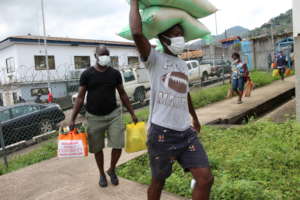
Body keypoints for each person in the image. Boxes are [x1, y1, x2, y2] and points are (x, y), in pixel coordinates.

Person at [130, 1, 214, 200]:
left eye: (181, 34)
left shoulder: (183, 64)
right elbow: (136, 33)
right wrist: (134, 3)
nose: (180, 38)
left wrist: (194, 118)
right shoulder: (154, 59)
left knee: (205, 179)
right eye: (175, 34)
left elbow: (185, 93)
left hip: (186, 132)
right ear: (163, 37)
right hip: (162, 134)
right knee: (158, 182)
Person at [69, 45, 138, 188]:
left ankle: (112, 169)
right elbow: (80, 98)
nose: (105, 56)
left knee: (118, 144)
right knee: (97, 148)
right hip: (94, 117)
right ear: (95, 56)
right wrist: (72, 118)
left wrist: (132, 113)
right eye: (102, 54)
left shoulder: (115, 74)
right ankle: (101, 173)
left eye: (107, 54)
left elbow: (123, 94)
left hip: (113, 114)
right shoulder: (87, 74)